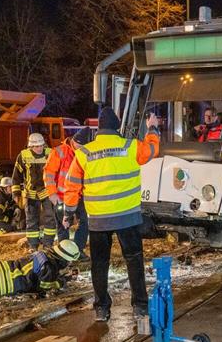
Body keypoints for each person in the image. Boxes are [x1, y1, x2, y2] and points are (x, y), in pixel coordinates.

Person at [63, 107, 161, 322]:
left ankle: (101, 308)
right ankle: (140, 307)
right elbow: (153, 149)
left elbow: (71, 186)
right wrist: (152, 127)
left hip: (98, 219)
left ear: (99, 128)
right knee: (134, 260)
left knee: (99, 263)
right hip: (127, 217)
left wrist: (69, 213)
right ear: (117, 127)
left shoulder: (84, 153)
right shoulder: (130, 146)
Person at [44, 127, 92, 259]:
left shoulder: (85, 152)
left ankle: (77, 249)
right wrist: (52, 193)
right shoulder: (59, 151)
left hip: (80, 196)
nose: (81, 148)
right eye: (80, 145)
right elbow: (49, 173)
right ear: (74, 141)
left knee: (85, 222)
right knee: (63, 225)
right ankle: (63, 253)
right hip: (61, 197)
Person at [12, 133, 57, 251]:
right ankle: (33, 245)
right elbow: (16, 176)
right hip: (30, 193)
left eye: (41, 145)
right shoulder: (23, 156)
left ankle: (48, 244)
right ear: (30, 146)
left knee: (50, 219)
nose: (39, 148)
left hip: (47, 192)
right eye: (36, 146)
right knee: (31, 220)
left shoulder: (50, 153)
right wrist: (16, 193)